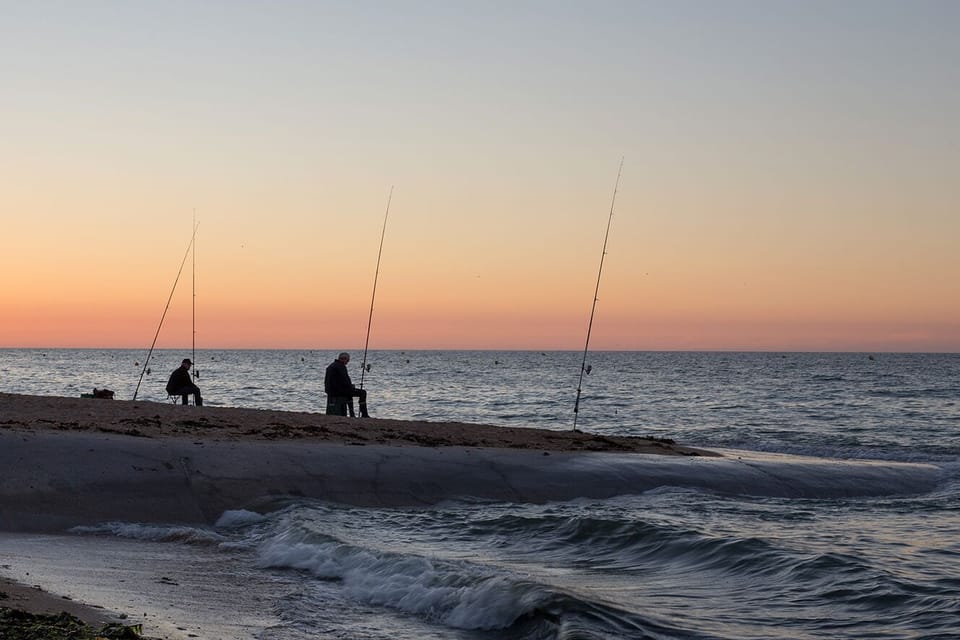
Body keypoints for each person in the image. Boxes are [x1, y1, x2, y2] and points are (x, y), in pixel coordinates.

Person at [324, 352, 368, 417]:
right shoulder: (341, 366)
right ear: (344, 359)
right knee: (363, 393)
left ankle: (352, 414)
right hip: (338, 392)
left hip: (330, 391)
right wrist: (351, 386)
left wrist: (350, 386)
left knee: (349, 391)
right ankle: (364, 414)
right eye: (347, 361)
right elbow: (346, 381)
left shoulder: (331, 366)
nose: (347, 363)